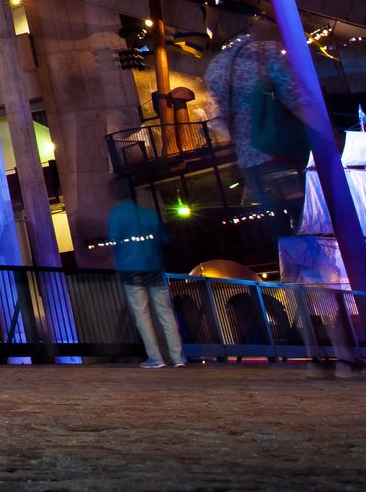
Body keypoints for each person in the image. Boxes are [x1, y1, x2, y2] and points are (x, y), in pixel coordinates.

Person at [204, 21, 309, 227]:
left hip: (250, 166)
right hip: (282, 155)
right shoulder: (267, 51)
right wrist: (333, 139)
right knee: (311, 222)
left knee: (280, 232)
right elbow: (297, 101)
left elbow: (220, 120)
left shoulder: (215, 67)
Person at [108, 178, 184, 368]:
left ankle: (156, 358)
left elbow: (113, 240)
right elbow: (163, 240)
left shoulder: (117, 214)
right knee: (165, 313)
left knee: (142, 315)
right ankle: (178, 357)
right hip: (155, 266)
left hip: (130, 267)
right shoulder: (149, 214)